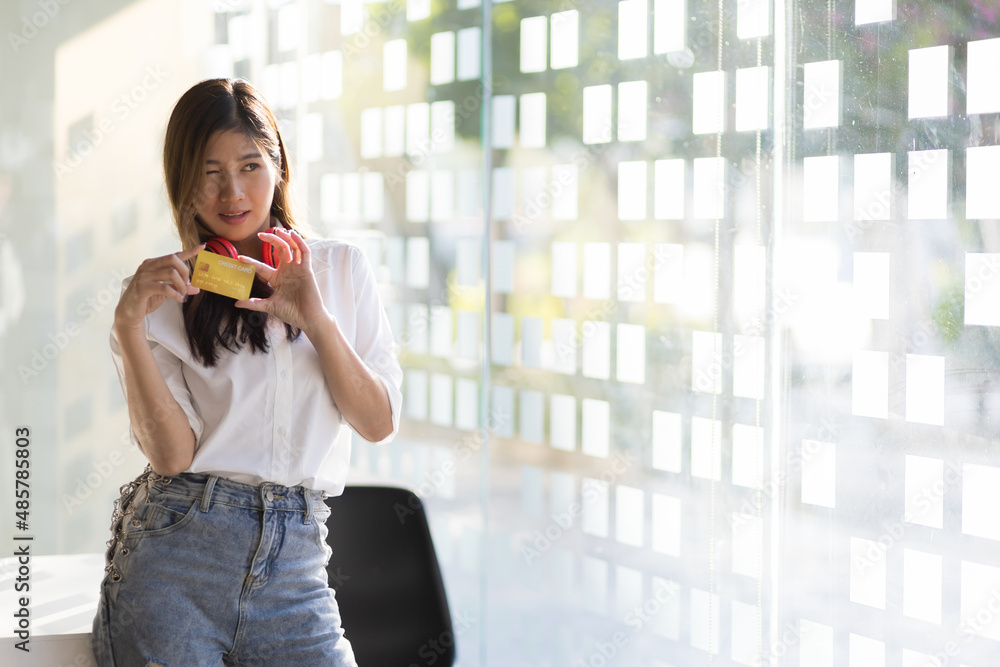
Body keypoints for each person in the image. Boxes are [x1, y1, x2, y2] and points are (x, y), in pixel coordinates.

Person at [90, 77, 402, 666]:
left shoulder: (340, 270)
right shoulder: (165, 297)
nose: (231, 191)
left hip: (297, 569)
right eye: (209, 171)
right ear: (182, 181)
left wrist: (316, 320)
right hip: (176, 561)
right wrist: (129, 329)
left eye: (250, 165)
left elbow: (377, 421)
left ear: (279, 165)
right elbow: (172, 457)